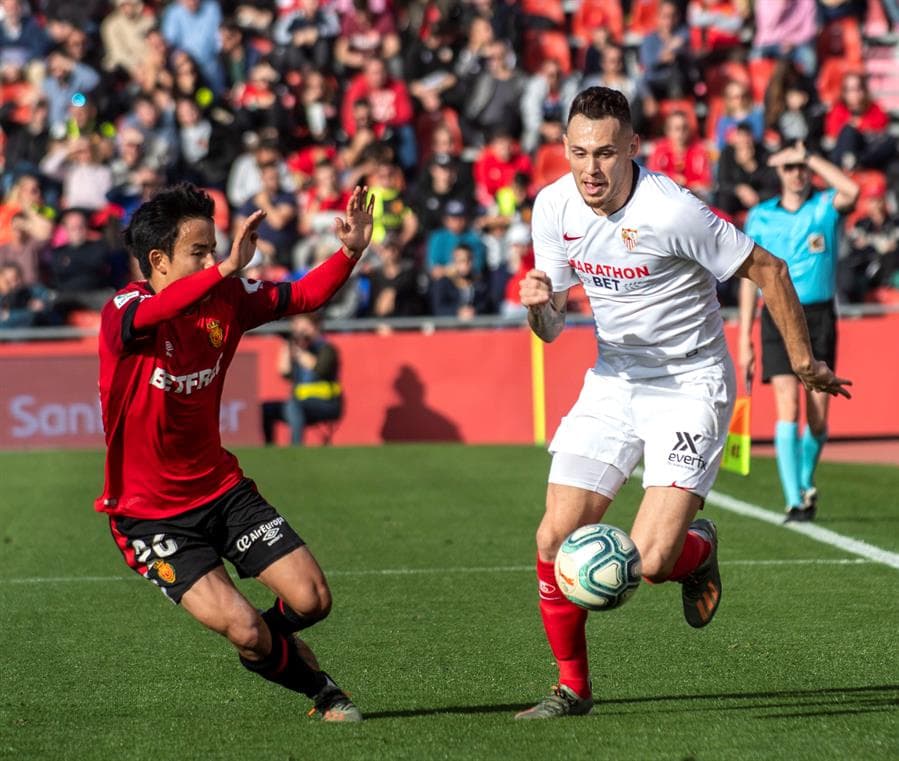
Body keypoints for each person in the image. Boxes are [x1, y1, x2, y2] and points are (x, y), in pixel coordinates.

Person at [515, 87, 850, 720]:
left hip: (691, 384)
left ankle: (697, 551)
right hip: (614, 379)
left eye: (607, 153)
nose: (592, 168)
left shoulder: (673, 211)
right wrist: (540, 304)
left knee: (649, 561)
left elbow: (772, 270)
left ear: (633, 148)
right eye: (580, 152)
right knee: (554, 536)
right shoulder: (552, 206)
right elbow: (553, 327)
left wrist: (803, 363)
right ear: (564, 149)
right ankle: (572, 690)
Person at [96, 183, 375, 722]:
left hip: (221, 491)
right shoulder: (125, 310)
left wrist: (349, 251)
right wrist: (223, 269)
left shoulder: (226, 301)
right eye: (198, 253)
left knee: (313, 599)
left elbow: (301, 297)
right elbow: (157, 312)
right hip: (150, 517)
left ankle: (270, 648)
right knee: (245, 628)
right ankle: (322, 690)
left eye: (213, 249)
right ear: (158, 260)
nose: (213, 260)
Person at [738, 142, 859, 522]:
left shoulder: (823, 207)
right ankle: (794, 500)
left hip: (819, 316)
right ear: (778, 171)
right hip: (776, 315)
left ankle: (805, 479)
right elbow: (747, 278)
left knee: (819, 415)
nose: (797, 173)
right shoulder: (761, 216)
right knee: (787, 405)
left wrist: (811, 156)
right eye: (789, 166)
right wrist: (744, 338)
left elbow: (852, 191)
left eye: (800, 166)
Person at [261, 313, 343, 446]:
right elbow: (285, 372)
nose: (297, 328)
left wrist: (299, 353)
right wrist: (286, 348)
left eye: (302, 324)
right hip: (299, 403)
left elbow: (320, 368)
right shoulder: (297, 348)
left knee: (295, 406)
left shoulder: (327, 349)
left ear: (314, 326)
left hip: (326, 404)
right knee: (266, 409)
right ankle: (269, 447)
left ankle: (296, 446)